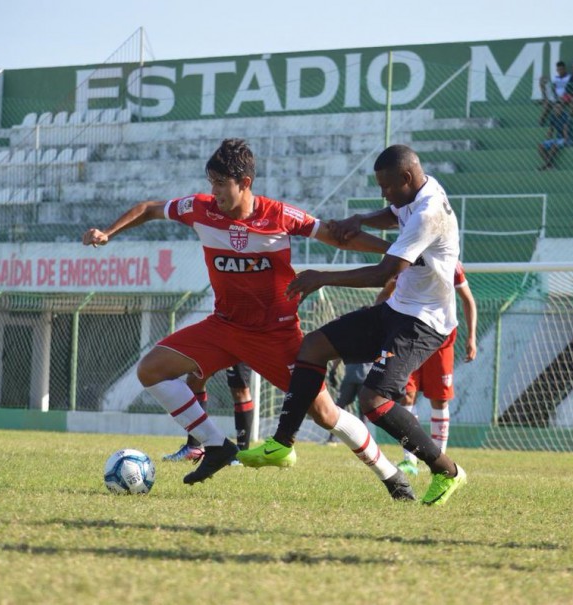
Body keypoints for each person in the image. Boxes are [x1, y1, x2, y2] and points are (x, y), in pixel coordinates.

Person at [82, 138, 415, 500]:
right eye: (212, 183)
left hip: (276, 335)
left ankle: (392, 477)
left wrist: (396, 250)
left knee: (324, 413)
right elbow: (148, 208)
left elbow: (338, 239)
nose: (215, 192)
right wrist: (108, 233)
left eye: (221, 184)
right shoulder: (199, 208)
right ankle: (216, 446)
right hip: (223, 327)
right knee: (150, 370)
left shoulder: (280, 216)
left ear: (245, 182)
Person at [238, 144, 468, 507]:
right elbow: (394, 213)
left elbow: (383, 273)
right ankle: (282, 445)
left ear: (406, 178)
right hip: (398, 309)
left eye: (387, 186)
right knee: (313, 347)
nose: (384, 193)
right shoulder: (419, 188)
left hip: (424, 322)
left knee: (374, 400)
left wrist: (323, 277)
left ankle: (446, 469)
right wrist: (361, 218)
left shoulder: (428, 213)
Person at [373, 261, 477, 476]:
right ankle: (409, 460)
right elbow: (384, 295)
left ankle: (440, 460)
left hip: (441, 339)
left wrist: (472, 337)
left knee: (439, 399)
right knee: (406, 396)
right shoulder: (405, 262)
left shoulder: (450, 265)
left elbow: (468, 299)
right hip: (408, 338)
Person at [162, 362, 254, 462]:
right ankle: (193, 448)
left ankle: (242, 454)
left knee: (240, 390)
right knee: (194, 380)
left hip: (238, 348)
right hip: (215, 346)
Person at [325, 359, 374, 445]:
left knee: (363, 409)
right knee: (338, 407)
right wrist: (333, 370)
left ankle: (362, 440)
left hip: (365, 378)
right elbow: (340, 353)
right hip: (350, 378)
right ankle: (332, 438)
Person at [537, 102, 570, 170]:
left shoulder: (565, 116)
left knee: (554, 146)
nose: (557, 109)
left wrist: (565, 140)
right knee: (540, 146)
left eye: (559, 108)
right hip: (557, 139)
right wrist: (547, 141)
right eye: (556, 108)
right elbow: (550, 130)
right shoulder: (553, 116)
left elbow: (565, 129)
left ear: (562, 108)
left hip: (566, 138)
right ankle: (550, 165)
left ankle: (546, 165)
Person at [538, 61, 571, 125]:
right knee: (543, 79)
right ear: (557, 70)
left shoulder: (569, 77)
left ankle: (549, 120)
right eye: (558, 69)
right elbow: (552, 88)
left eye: (561, 69)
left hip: (564, 96)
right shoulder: (555, 78)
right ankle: (544, 98)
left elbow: (571, 89)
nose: (560, 71)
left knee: (550, 104)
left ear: (564, 69)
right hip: (555, 96)